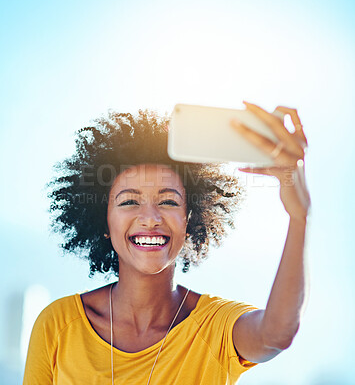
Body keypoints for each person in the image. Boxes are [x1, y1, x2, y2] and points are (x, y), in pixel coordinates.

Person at [23, 102, 310, 385]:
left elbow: (275, 335)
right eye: (129, 201)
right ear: (104, 223)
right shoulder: (58, 324)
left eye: (168, 201)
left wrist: (298, 217)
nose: (150, 218)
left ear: (190, 219)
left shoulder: (216, 327)